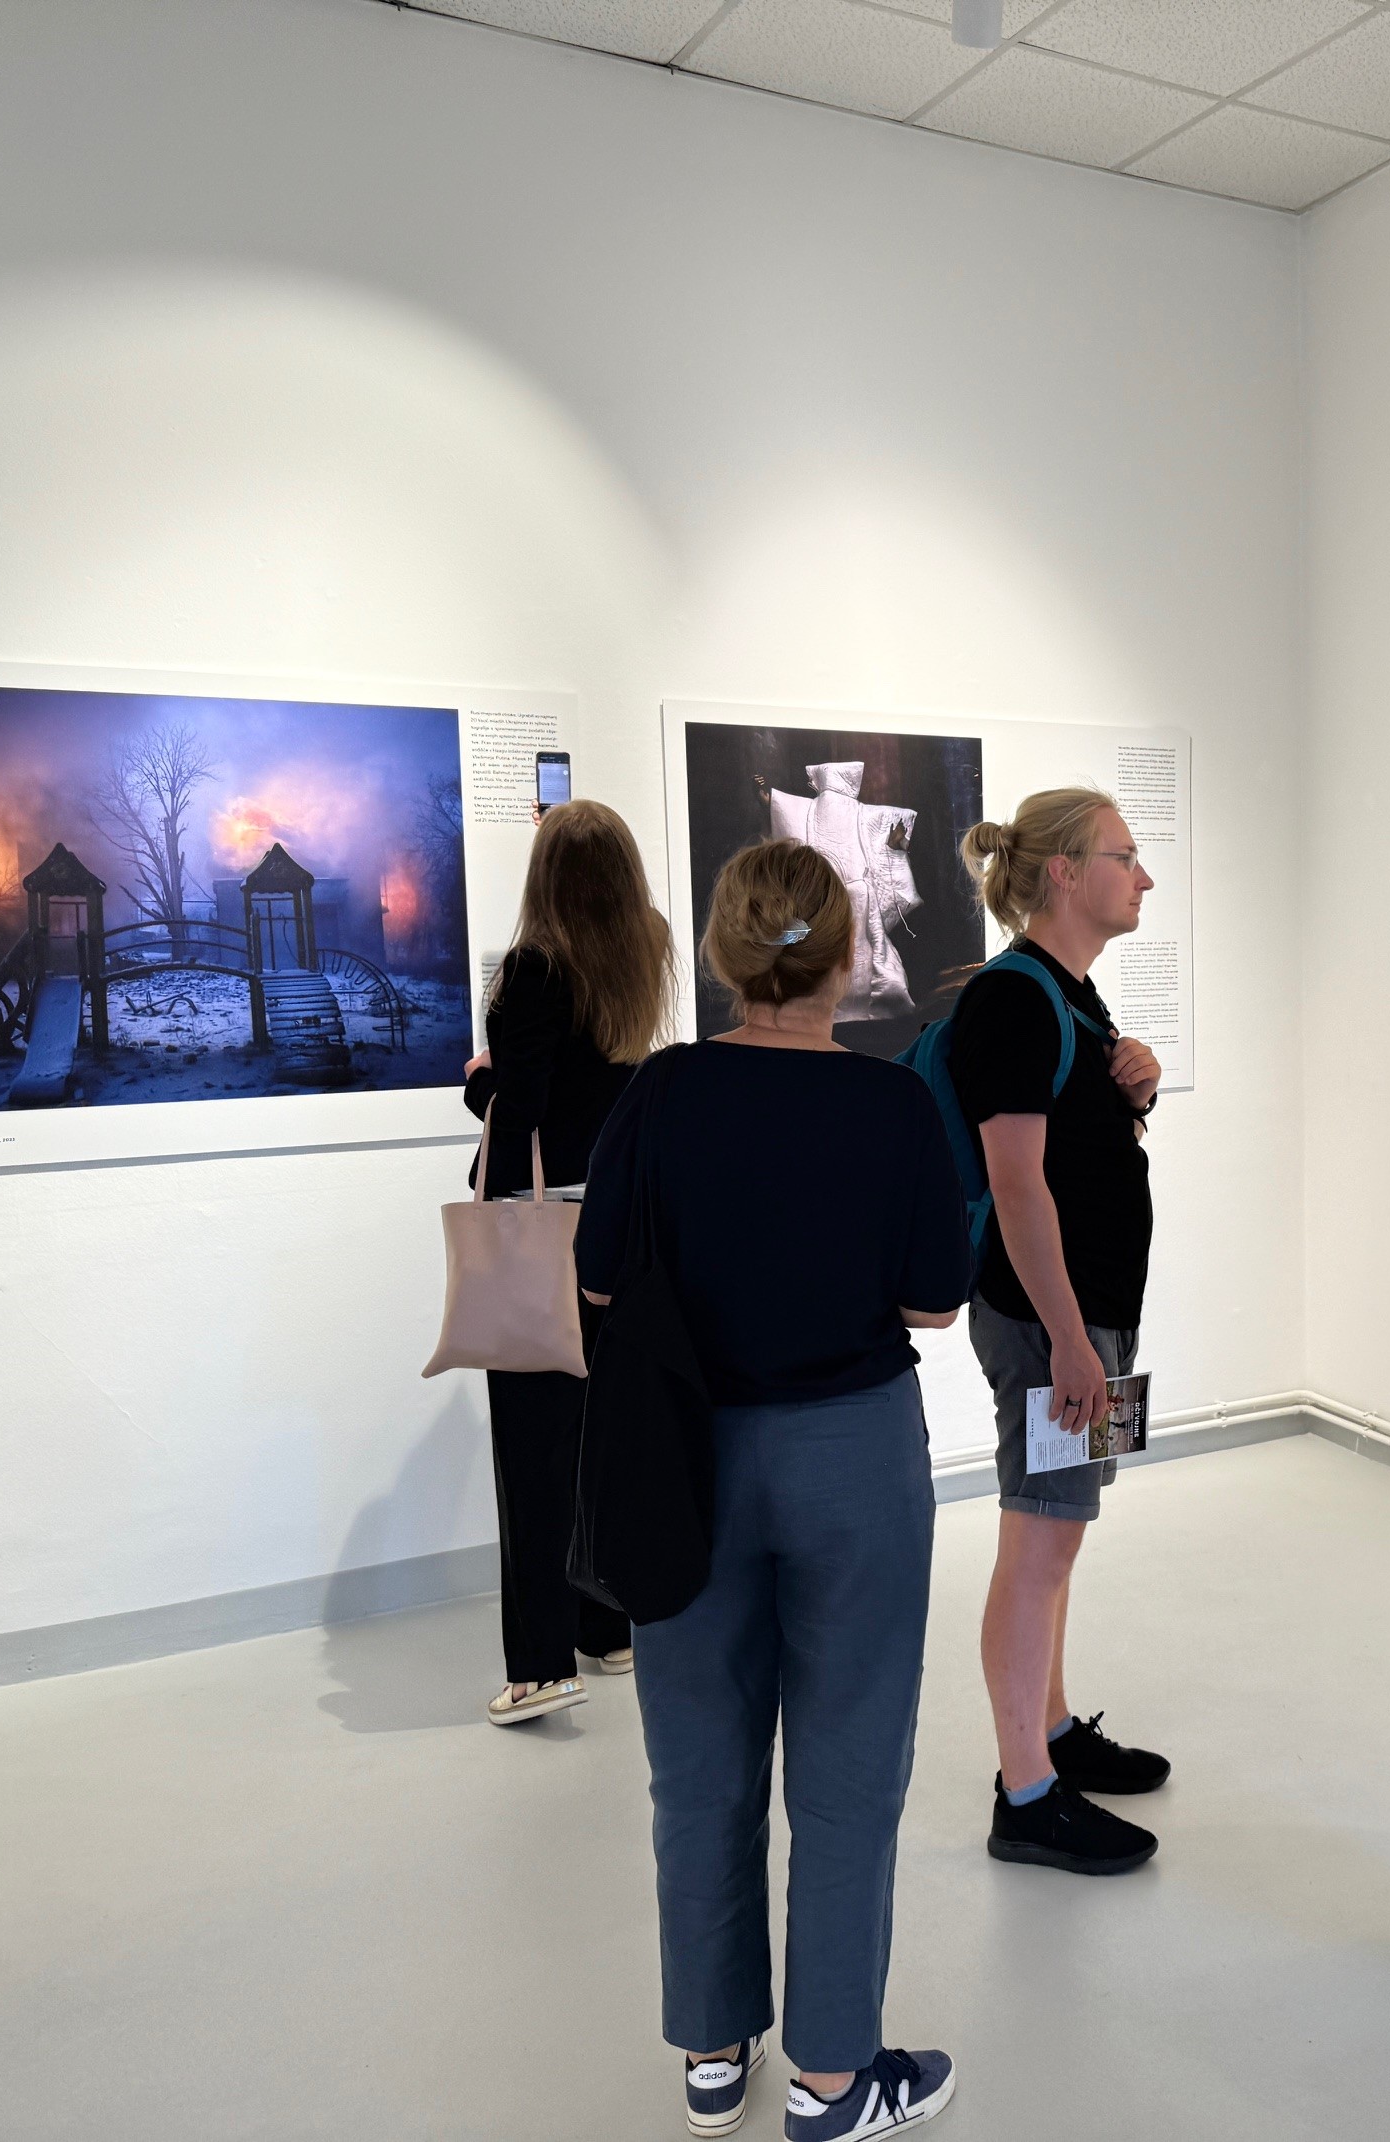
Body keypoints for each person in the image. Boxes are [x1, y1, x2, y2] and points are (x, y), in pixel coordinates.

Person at [578, 839, 970, 2142]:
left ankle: (710, 2052)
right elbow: (934, 1301)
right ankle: (832, 2082)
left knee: (696, 1765)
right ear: (847, 956)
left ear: (723, 953)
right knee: (850, 1770)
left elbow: (597, 1277)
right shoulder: (892, 1105)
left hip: (685, 1451)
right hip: (853, 1454)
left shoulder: (662, 1093)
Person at [950, 788, 1170, 1878]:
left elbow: (1081, 1149)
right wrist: (1072, 1341)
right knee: (1039, 1543)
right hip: (1053, 1325)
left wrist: (1141, 1082)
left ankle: (1052, 1727)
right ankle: (1026, 1793)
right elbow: (1018, 1185)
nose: (1144, 876)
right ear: (1064, 874)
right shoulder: (1012, 999)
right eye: (1125, 856)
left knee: (1060, 1533)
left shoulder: (1070, 996)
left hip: (1086, 1320)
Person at [462, 799, 673, 1727]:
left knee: (532, 1451)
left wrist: (481, 1085)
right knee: (599, 1436)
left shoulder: (533, 968)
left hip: (538, 1232)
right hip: (618, 1226)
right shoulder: (644, 953)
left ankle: (540, 1668)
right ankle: (607, 1625)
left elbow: (522, 1113)